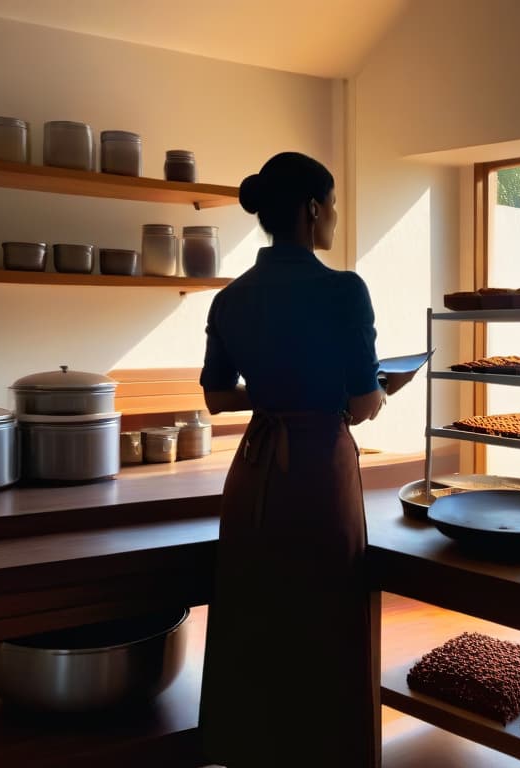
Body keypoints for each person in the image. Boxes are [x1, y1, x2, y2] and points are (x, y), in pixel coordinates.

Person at [198, 151, 385, 767]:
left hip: (254, 471)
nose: (333, 215)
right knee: (326, 609)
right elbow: (363, 407)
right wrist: (376, 389)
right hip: (316, 470)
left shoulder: (231, 298)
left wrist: (274, 395)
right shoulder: (343, 289)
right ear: (311, 209)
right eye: (330, 203)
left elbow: (219, 398)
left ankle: (250, 747)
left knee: (255, 606)